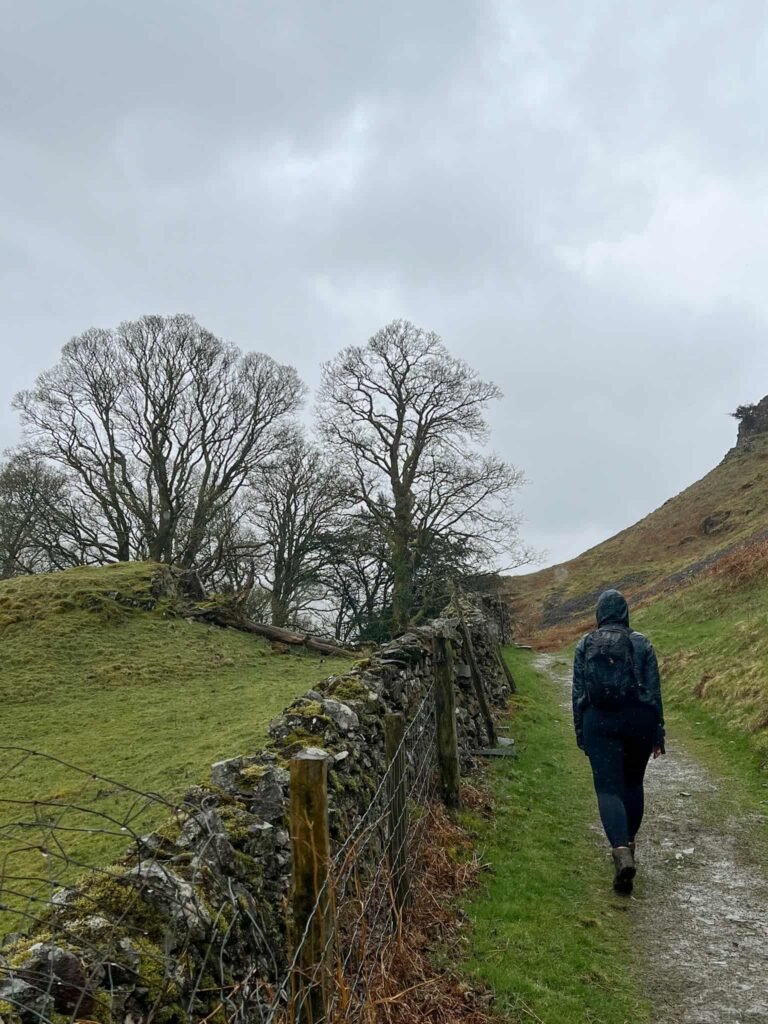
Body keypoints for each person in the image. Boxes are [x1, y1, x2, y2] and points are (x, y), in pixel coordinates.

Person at [572, 589, 665, 894]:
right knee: (633, 784)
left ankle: (621, 851)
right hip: (639, 720)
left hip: (599, 720)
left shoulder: (586, 644)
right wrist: (658, 733)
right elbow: (653, 692)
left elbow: (578, 695)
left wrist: (581, 733)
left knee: (608, 789)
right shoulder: (642, 643)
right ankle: (630, 845)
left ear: (599, 614)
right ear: (625, 612)